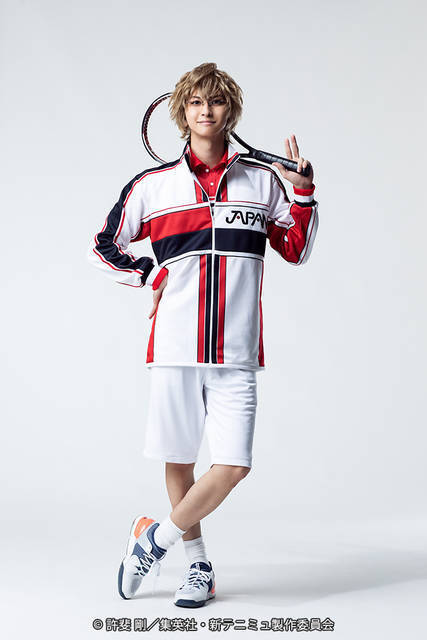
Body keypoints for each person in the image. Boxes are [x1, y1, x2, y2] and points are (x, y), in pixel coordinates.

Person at [87, 62, 319, 608]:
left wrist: (304, 194)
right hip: (174, 346)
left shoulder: (262, 182)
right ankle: (197, 566)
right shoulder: (153, 187)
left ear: (229, 110)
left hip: (237, 350)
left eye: (215, 101)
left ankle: (153, 541)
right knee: (180, 460)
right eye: (195, 102)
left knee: (234, 465)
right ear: (182, 112)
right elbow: (103, 245)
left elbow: (296, 250)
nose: (206, 110)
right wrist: (149, 274)